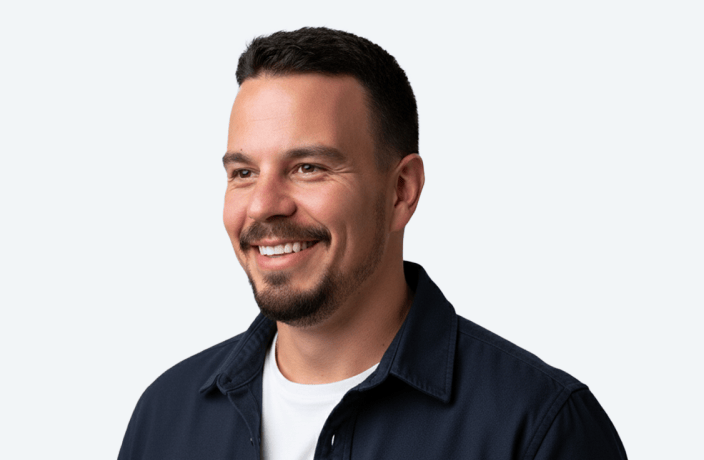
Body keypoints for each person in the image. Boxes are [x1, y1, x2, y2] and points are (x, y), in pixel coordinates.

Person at [118, 27, 628, 460]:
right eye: (244, 173)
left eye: (308, 167)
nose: (263, 206)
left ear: (401, 191)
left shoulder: (538, 427)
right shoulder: (166, 416)